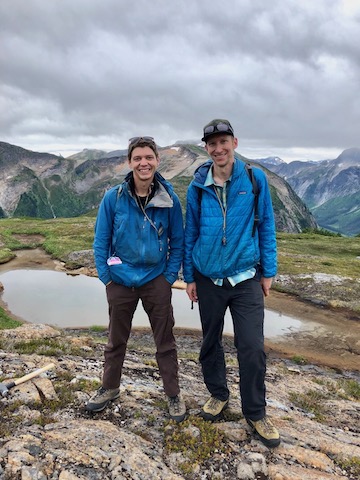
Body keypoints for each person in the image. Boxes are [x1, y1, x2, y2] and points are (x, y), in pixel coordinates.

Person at [183, 119, 280, 448]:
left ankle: (255, 412)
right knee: (210, 342)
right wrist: (189, 276)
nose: (218, 148)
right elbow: (190, 233)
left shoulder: (254, 179)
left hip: (245, 277)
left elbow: (266, 224)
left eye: (223, 141)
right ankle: (218, 395)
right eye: (212, 144)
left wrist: (269, 271)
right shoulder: (197, 185)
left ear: (234, 143)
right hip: (208, 277)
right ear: (206, 148)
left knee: (251, 346)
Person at [87, 136, 186, 422]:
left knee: (165, 340)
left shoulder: (169, 199)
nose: (144, 163)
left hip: (156, 279)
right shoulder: (113, 198)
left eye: (149, 157)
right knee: (116, 339)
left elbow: (177, 241)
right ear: (130, 163)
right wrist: (106, 277)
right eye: (138, 158)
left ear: (157, 161)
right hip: (120, 280)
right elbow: (101, 241)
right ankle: (109, 388)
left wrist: (168, 277)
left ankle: (173, 394)